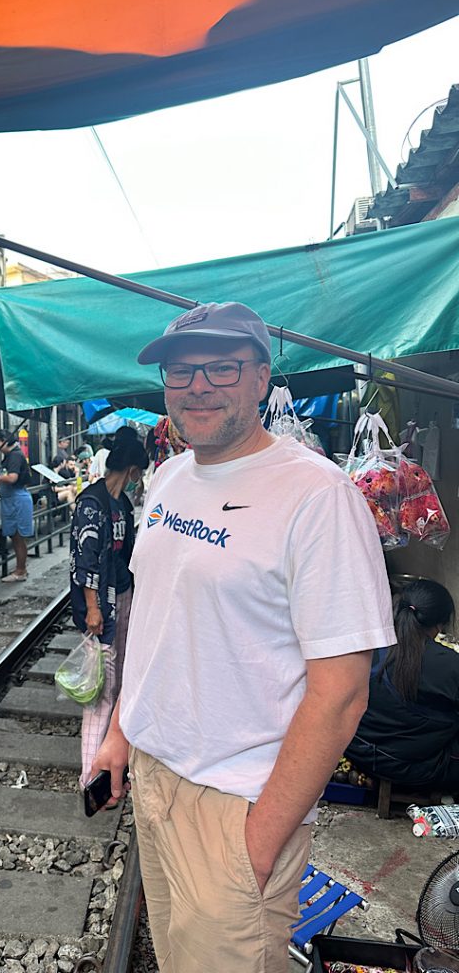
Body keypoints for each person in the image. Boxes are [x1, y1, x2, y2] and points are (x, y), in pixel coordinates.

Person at [91, 301, 396, 973]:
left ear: (261, 377)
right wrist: (120, 731)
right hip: (156, 777)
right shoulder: (168, 479)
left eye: (221, 368)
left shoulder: (318, 496)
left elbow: (342, 693)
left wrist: (257, 843)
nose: (197, 386)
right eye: (180, 372)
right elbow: (154, 617)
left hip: (238, 802)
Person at [70, 438, 148, 788]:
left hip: (122, 594)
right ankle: (89, 776)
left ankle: (109, 756)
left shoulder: (122, 504)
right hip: (102, 603)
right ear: (132, 470)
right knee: (101, 687)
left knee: (120, 677)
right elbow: (84, 560)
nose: (138, 481)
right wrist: (92, 608)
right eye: (139, 474)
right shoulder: (92, 503)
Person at [345, 579, 459, 790]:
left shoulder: (366, 643)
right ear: (440, 624)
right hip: (410, 766)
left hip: (356, 750)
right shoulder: (447, 664)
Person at [0, 430, 33, 583]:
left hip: (16, 499)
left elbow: (11, 478)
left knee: (18, 537)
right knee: (15, 537)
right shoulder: (11, 456)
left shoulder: (15, 456)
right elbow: (4, 480)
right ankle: (20, 569)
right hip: (11, 498)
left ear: (4, 440)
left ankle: (20, 571)